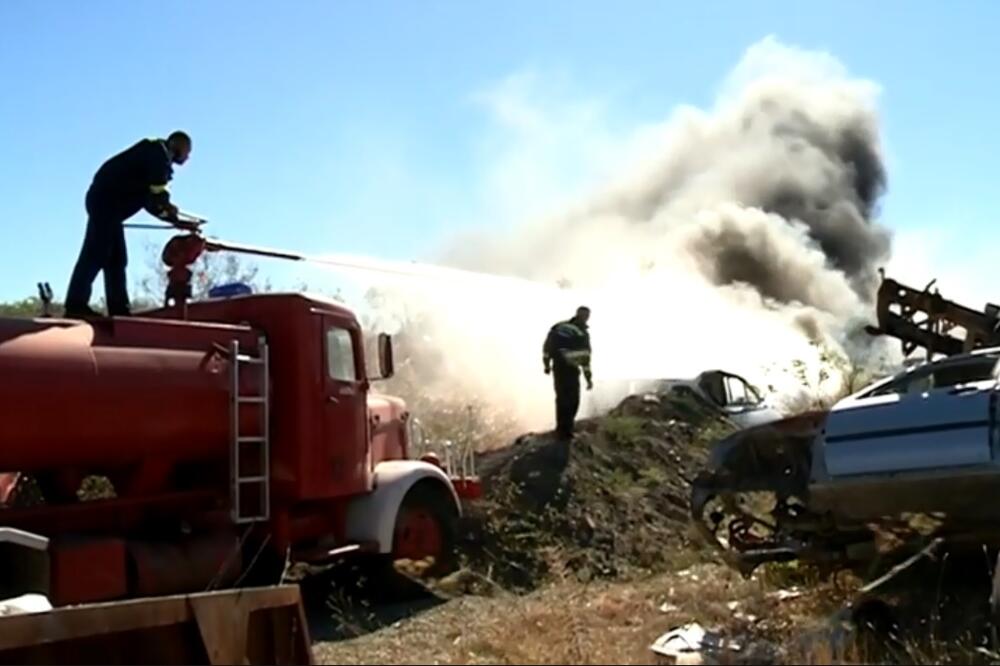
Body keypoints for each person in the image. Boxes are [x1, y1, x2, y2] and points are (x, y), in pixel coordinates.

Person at [64, 132, 194, 318]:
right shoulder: (157, 154)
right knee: (95, 254)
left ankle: (119, 310)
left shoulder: (154, 157)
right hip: (106, 203)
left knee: (116, 260)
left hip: (110, 207)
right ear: (178, 145)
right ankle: (75, 306)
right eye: (187, 152)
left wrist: (174, 219)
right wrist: (172, 214)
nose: (187, 158)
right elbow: (158, 195)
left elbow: (151, 201)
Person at [543, 306, 593, 439]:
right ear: (585, 317)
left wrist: (547, 364)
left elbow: (547, 346)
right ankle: (567, 430)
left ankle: (561, 429)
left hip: (558, 368)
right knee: (572, 400)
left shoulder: (558, 327)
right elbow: (586, 358)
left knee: (561, 398)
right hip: (571, 370)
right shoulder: (582, 334)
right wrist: (588, 378)